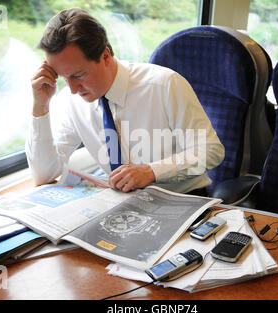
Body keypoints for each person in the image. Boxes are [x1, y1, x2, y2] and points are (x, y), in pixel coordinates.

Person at [26, 8, 224, 194]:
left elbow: (211, 151)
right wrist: (40, 106)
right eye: (63, 77)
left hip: (184, 199)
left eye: (79, 75)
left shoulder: (164, 85)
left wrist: (152, 171)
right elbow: (44, 175)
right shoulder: (70, 100)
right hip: (123, 202)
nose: (72, 89)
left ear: (105, 56)